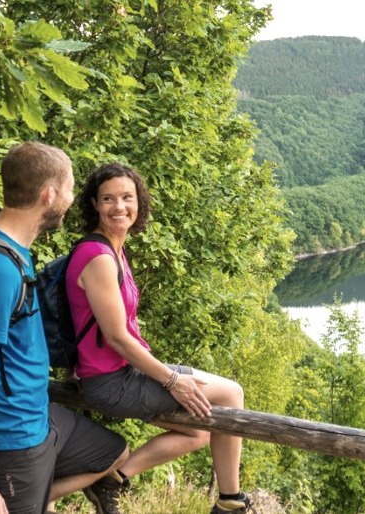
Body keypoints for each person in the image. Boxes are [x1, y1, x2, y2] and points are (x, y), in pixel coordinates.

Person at [0, 142, 130, 514]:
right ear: (48, 195)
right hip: (10, 439)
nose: (73, 196)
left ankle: (34, 499)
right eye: (69, 187)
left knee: (114, 452)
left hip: (40, 416)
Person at [65, 163, 252, 514]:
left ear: (139, 202)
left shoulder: (114, 251)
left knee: (198, 432)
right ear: (94, 204)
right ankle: (231, 502)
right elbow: (117, 337)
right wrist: (172, 380)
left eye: (127, 198)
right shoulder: (98, 257)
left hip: (120, 375)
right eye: (108, 199)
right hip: (110, 382)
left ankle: (113, 479)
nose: (119, 207)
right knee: (230, 394)